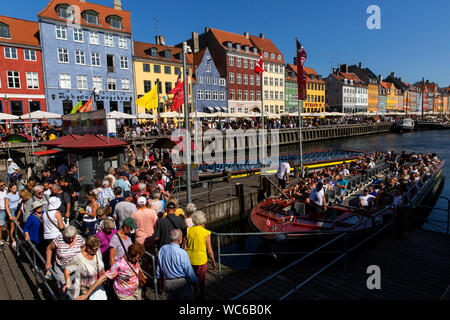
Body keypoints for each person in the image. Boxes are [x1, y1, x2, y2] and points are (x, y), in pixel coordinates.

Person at [77, 243, 146, 300]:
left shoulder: (134, 260)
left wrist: (141, 273)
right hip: (125, 295)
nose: (139, 259)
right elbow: (103, 278)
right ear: (131, 255)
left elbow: (137, 265)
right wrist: (87, 294)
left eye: (140, 257)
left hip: (136, 290)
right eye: (138, 257)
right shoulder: (119, 265)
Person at [156, 229, 197, 300]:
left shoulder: (163, 249)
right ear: (179, 239)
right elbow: (189, 271)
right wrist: (196, 284)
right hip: (181, 284)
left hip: (168, 282)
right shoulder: (182, 253)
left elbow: (159, 267)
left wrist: (160, 281)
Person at [186, 211, 217, 300]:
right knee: (201, 280)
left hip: (190, 259)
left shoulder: (188, 231)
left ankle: (195, 292)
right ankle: (202, 295)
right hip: (201, 259)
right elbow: (210, 250)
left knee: (192, 279)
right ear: (203, 220)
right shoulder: (206, 233)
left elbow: (185, 246)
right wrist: (213, 261)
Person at [4, 184, 21, 250]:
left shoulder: (18, 193)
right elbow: (6, 206)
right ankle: (13, 240)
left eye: (16, 188)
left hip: (18, 210)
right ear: (10, 189)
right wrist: (10, 215)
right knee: (12, 226)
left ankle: (17, 238)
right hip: (11, 210)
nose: (15, 189)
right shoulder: (7, 196)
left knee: (18, 225)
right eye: (14, 188)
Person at [0, 180, 8, 247]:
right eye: (1, 185)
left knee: (9, 225)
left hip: (8, 210)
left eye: (4, 184)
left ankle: (9, 237)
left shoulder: (6, 190)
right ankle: (0, 240)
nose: (3, 186)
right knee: (1, 227)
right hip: (1, 211)